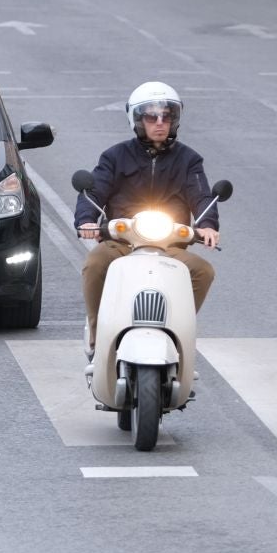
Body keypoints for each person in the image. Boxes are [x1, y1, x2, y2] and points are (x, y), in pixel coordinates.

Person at [74, 81, 218, 356]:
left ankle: (178, 331)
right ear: (137, 119)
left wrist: (208, 224)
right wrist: (87, 220)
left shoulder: (189, 160)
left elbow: (201, 194)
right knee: (94, 263)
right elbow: (94, 190)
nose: (160, 123)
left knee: (203, 271)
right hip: (122, 242)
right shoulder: (115, 156)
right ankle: (96, 332)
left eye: (167, 116)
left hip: (170, 246)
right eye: (152, 117)